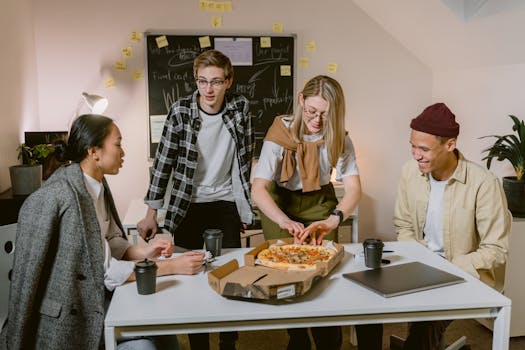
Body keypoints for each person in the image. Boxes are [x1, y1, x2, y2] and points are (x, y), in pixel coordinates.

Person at [0, 114, 204, 350]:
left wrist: (144, 252)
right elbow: (107, 272)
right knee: (147, 341)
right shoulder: (60, 194)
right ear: (94, 151)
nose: (123, 152)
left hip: (98, 297)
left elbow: (109, 241)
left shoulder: (96, 185)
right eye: (117, 144)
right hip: (70, 318)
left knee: (163, 327)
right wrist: (171, 267)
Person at [356, 102, 511, 350]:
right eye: (412, 146)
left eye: (424, 149)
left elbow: (495, 249)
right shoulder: (410, 172)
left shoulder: (483, 184)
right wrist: (420, 262)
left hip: (463, 275)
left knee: (426, 325)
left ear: (450, 145)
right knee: (364, 299)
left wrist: (444, 267)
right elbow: (404, 225)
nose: (415, 154)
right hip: (418, 268)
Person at [137, 49, 253, 350]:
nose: (209, 89)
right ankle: (198, 342)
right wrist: (151, 214)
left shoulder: (240, 108)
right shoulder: (180, 111)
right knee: (190, 274)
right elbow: (163, 163)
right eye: (202, 81)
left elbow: (245, 160)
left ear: (228, 81)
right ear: (195, 80)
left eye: (216, 81)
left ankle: (229, 341)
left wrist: (243, 206)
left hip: (225, 200)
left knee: (229, 273)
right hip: (187, 203)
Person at [251, 75, 361, 350]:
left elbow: (354, 189)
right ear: (301, 100)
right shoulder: (279, 135)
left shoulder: (340, 139)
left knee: (326, 272)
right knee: (286, 272)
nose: (317, 120)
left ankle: (328, 341)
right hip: (281, 205)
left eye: (326, 114)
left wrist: (334, 218)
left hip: (320, 203)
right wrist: (284, 221)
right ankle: (297, 338)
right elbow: (259, 189)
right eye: (312, 111)